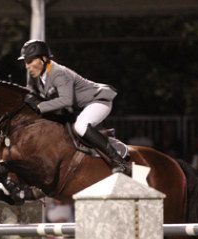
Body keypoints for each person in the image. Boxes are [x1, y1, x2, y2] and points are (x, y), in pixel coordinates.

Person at [19, 39, 129, 174]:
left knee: (80, 126)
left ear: (43, 59)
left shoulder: (58, 72)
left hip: (99, 101)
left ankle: (119, 161)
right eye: (25, 62)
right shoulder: (39, 76)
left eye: (30, 61)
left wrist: (40, 106)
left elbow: (66, 100)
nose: (27, 66)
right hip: (82, 107)